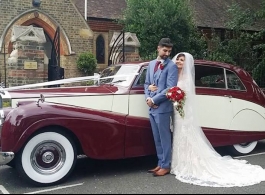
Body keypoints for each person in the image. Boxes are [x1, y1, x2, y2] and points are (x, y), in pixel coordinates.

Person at [169, 52, 265, 187]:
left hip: (184, 111)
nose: (179, 61)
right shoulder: (173, 75)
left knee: (187, 134)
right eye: (178, 59)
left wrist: (177, 98)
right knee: (179, 135)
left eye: (182, 60)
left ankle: (191, 162)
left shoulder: (187, 78)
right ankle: (181, 161)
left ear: (186, 63)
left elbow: (188, 96)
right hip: (177, 110)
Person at [144, 38, 178, 177]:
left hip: (163, 108)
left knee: (164, 138)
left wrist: (154, 99)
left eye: (169, 51)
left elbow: (170, 88)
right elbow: (147, 84)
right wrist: (148, 97)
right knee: (156, 138)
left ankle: (166, 165)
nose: (167, 53)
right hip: (151, 107)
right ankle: (160, 162)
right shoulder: (151, 64)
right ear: (158, 48)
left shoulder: (172, 66)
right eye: (165, 50)